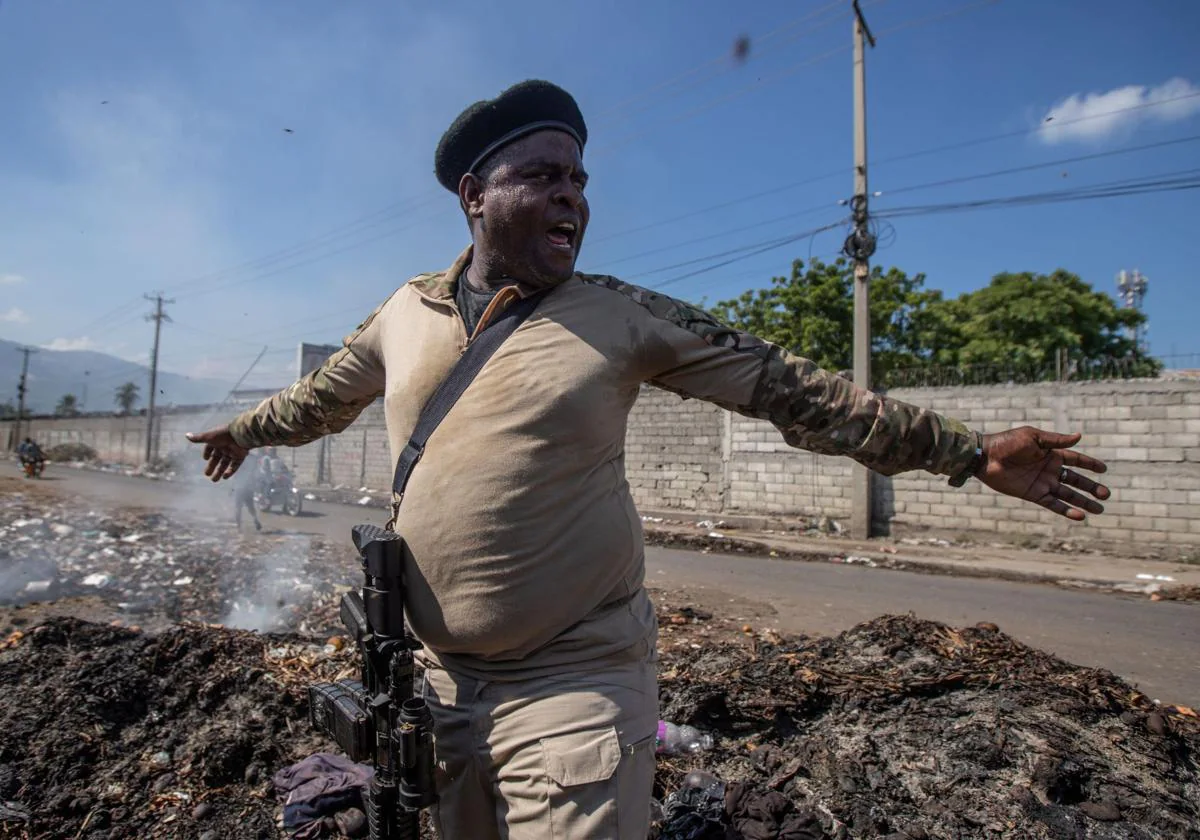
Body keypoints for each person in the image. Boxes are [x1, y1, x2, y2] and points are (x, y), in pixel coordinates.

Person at [187, 80, 1110, 839]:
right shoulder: (402, 313)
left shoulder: (622, 318)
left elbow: (796, 390)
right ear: (474, 194)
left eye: (581, 181)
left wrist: (966, 451)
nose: (573, 197)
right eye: (544, 175)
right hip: (436, 683)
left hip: (574, 676)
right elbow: (320, 398)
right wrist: (243, 432)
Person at [234, 452, 263, 531]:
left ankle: (239, 526)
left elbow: (235, 474)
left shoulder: (238, 457)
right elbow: (256, 473)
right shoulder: (253, 458)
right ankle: (255, 520)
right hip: (247, 487)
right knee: (250, 507)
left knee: (238, 508)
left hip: (240, 487)